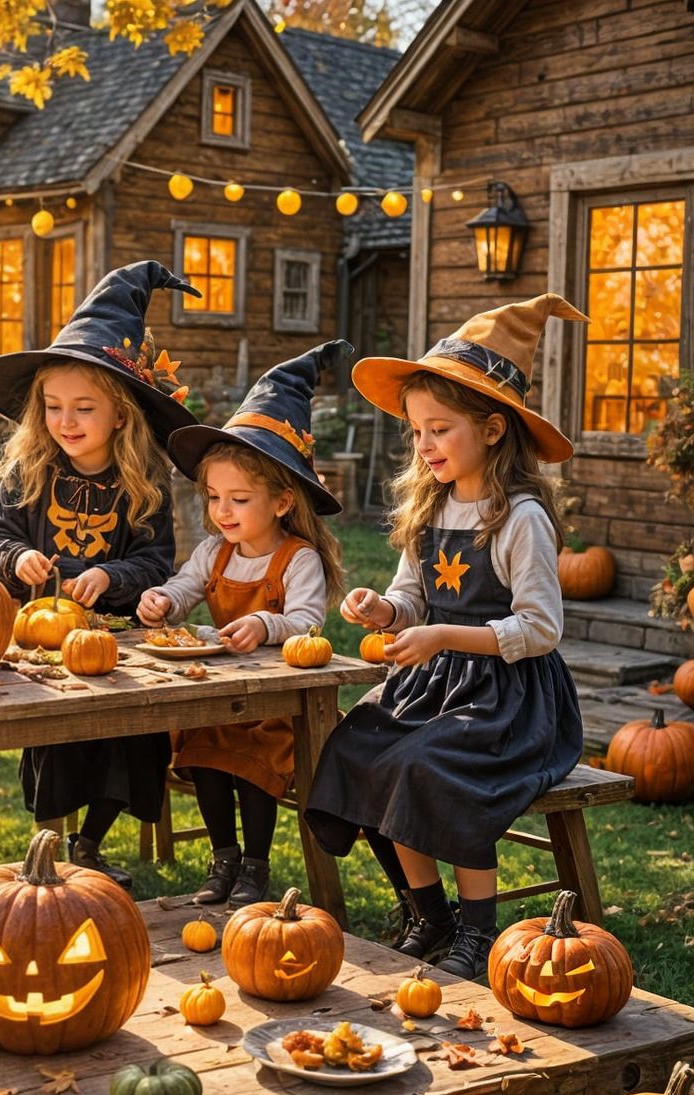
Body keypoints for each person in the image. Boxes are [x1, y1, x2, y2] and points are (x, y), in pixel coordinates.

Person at [305, 295, 586, 981]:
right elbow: (412, 598)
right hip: (440, 684)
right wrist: (386, 611)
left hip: (513, 700)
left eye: (440, 429)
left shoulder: (519, 517)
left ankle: (478, 930)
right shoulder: (432, 508)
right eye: (417, 432)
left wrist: (440, 636)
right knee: (362, 742)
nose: (425, 446)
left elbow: (542, 630)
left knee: (431, 765)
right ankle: (428, 912)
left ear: (493, 430)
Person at [0, 260, 197, 887]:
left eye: (83, 408)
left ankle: (92, 840)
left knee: (130, 736)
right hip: (44, 638)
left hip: (116, 639)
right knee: (62, 733)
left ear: (120, 414)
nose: (66, 422)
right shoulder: (31, 473)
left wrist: (112, 577)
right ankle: (57, 840)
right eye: (52, 407)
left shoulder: (143, 482)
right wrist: (16, 558)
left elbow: (156, 562)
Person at [140, 343, 350, 907]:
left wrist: (264, 622)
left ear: (283, 501)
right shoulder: (215, 552)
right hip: (222, 694)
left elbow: (306, 622)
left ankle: (255, 865)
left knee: (252, 760)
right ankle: (222, 857)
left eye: (238, 499)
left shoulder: (297, 558)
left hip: (273, 704)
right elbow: (185, 589)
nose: (223, 511)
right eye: (213, 498)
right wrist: (162, 601)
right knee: (204, 749)